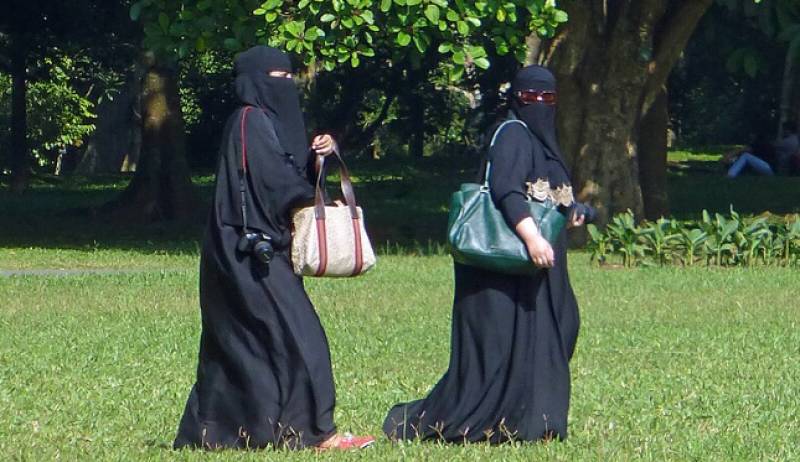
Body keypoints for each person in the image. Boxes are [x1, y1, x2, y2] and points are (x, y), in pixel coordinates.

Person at [173, 46, 374, 451]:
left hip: (258, 249)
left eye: (288, 77)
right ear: (253, 81)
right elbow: (274, 183)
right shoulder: (248, 121)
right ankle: (317, 433)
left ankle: (227, 432)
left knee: (250, 343)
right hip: (245, 252)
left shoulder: (265, 123)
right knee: (298, 337)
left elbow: (288, 172)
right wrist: (316, 200)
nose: (284, 85)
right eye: (275, 78)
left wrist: (317, 159)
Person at [383, 65, 584, 444]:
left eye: (548, 98)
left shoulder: (544, 144)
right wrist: (532, 238)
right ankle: (480, 423)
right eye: (531, 97)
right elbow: (506, 190)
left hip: (538, 267)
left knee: (557, 330)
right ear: (516, 99)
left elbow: (549, 195)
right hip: (506, 266)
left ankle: (533, 420)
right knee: (499, 352)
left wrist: (572, 214)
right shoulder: (513, 134)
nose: (540, 104)